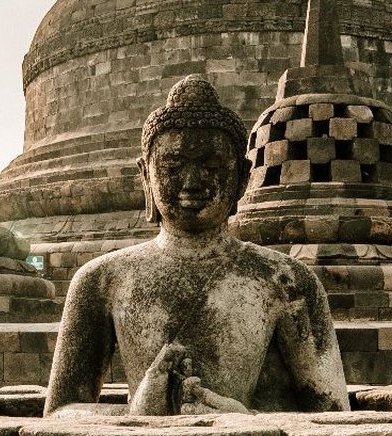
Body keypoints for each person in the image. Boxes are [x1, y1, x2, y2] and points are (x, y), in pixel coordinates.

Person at [44, 75, 349, 417]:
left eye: (212, 167)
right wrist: (136, 414)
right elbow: (59, 415)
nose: (191, 183)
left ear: (242, 178)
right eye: (172, 167)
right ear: (146, 175)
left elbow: (334, 417)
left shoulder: (287, 281)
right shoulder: (100, 280)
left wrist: (241, 419)